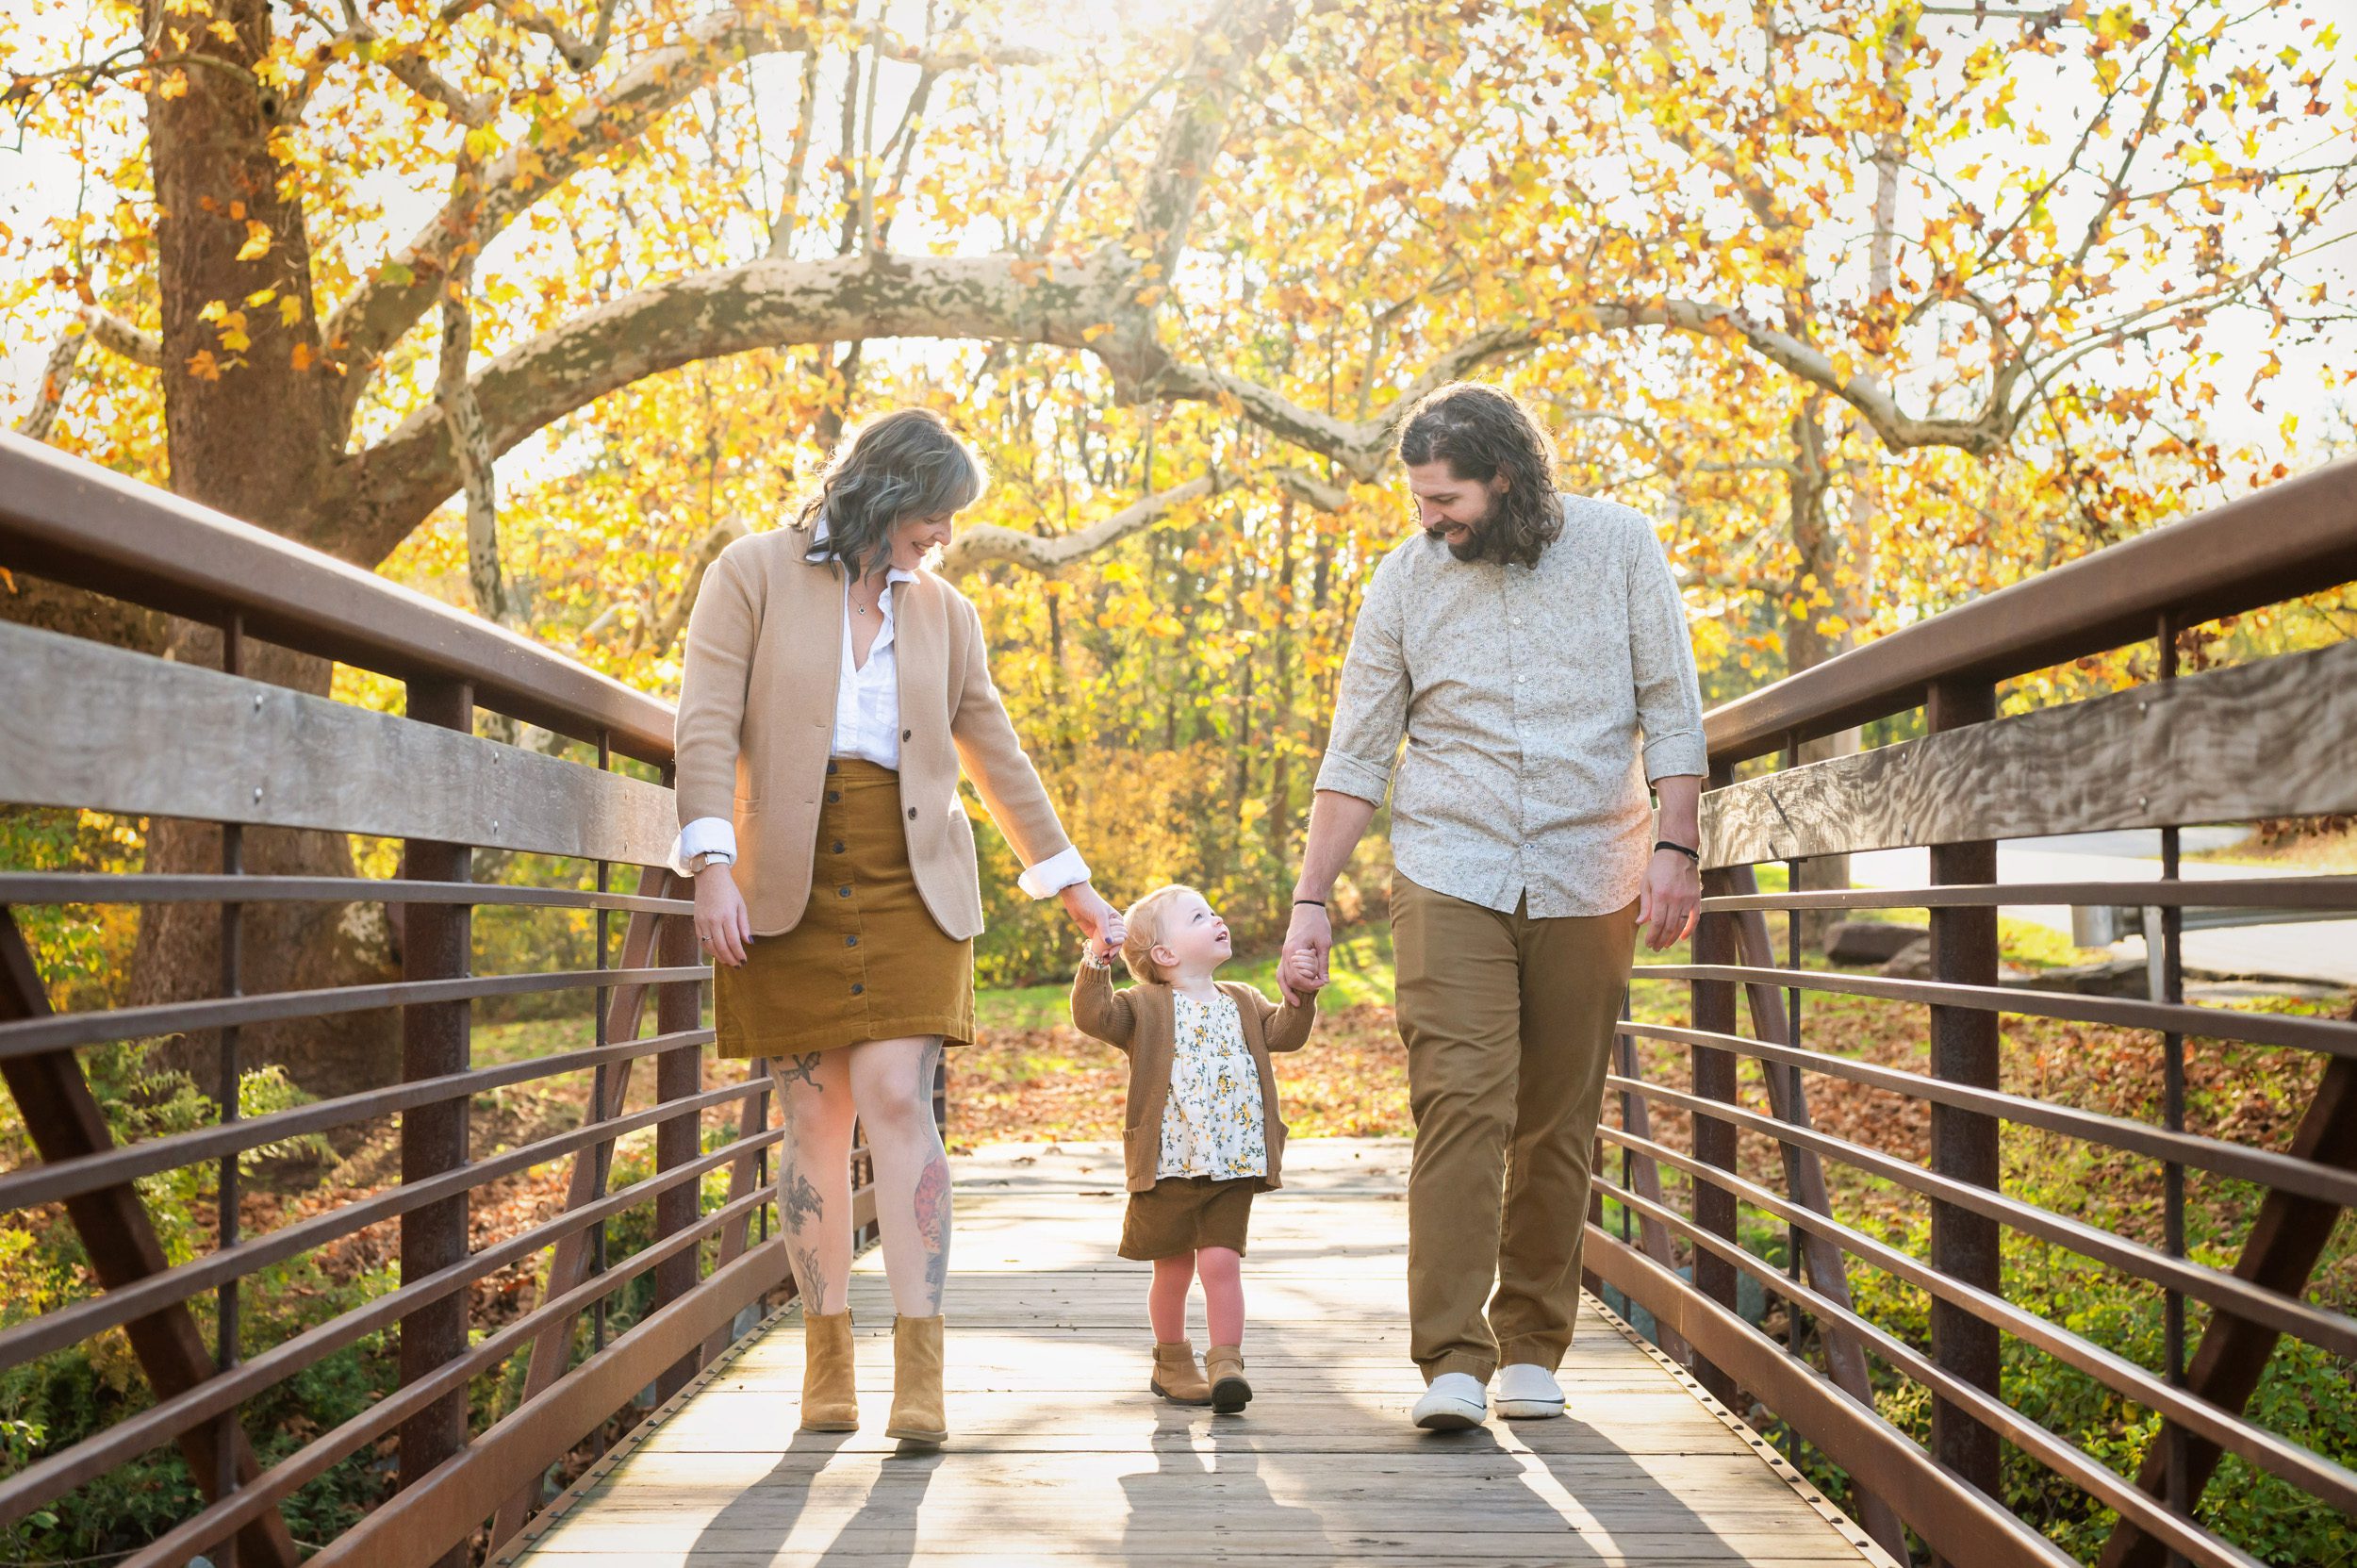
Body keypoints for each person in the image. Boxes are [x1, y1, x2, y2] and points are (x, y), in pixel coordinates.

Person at [672, 408, 1121, 1448]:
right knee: (816, 1117)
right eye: (935, 514)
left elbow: (994, 748)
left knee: (892, 1094)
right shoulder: (751, 571)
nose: (944, 537)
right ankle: (826, 1359)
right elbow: (702, 719)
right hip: (783, 871)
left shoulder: (945, 613)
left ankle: (921, 1370)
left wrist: (1074, 889)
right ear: (884, 493)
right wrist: (711, 864)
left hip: (913, 875)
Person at [1279, 382, 1706, 1431]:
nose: (1429, 517)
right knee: (1463, 1100)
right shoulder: (1403, 581)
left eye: (1445, 497)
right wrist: (1309, 897)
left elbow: (1672, 706)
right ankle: (1452, 1360)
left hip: (1591, 865)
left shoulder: (1618, 547)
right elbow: (1358, 752)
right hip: (1449, 864)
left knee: (1557, 1116)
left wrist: (1676, 844)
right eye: (1419, 498)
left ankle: (1529, 1344)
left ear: (1504, 476)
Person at [1069, 885, 1321, 1414]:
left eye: (1213, 911)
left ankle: (1226, 1362)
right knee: (1175, 1269)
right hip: (1168, 1164)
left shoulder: (1243, 999)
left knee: (1222, 1263)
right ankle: (1172, 1360)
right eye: (1199, 916)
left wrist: (1302, 993)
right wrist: (1098, 957)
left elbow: (1286, 1033)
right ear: (1165, 954)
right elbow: (1094, 1016)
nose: (1217, 918)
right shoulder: (1143, 1007)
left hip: (1234, 1162)